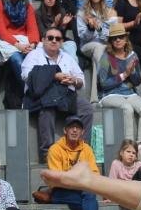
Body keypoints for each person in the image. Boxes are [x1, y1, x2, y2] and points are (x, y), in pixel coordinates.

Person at [22, 20, 93, 161]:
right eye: (50, 38)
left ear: (61, 42)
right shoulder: (34, 55)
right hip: (42, 97)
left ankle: (80, 150)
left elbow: (81, 80)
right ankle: (47, 153)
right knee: (47, 110)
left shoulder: (67, 57)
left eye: (58, 39)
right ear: (43, 40)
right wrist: (54, 76)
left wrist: (73, 80)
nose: (54, 41)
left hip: (65, 95)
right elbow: (26, 76)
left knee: (86, 108)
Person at [97, 25, 141, 162]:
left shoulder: (132, 56)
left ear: (126, 39)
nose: (117, 40)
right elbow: (104, 83)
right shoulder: (106, 57)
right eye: (114, 38)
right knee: (127, 108)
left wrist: (132, 72)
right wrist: (125, 74)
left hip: (129, 92)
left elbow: (138, 80)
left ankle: (140, 147)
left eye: (120, 37)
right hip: (109, 95)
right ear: (110, 41)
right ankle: (129, 148)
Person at [0, 0, 40, 108]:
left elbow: (33, 29)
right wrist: (17, 44)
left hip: (25, 42)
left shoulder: (27, 6)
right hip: (6, 41)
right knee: (17, 60)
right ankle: (32, 93)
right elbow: (1, 30)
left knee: (37, 58)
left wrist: (32, 44)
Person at [45, 116, 100, 210]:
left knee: (89, 195)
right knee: (91, 202)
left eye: (78, 128)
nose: (75, 130)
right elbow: (57, 179)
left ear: (83, 132)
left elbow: (95, 174)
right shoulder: (55, 149)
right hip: (61, 191)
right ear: (65, 130)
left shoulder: (87, 149)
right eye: (71, 127)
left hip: (82, 189)